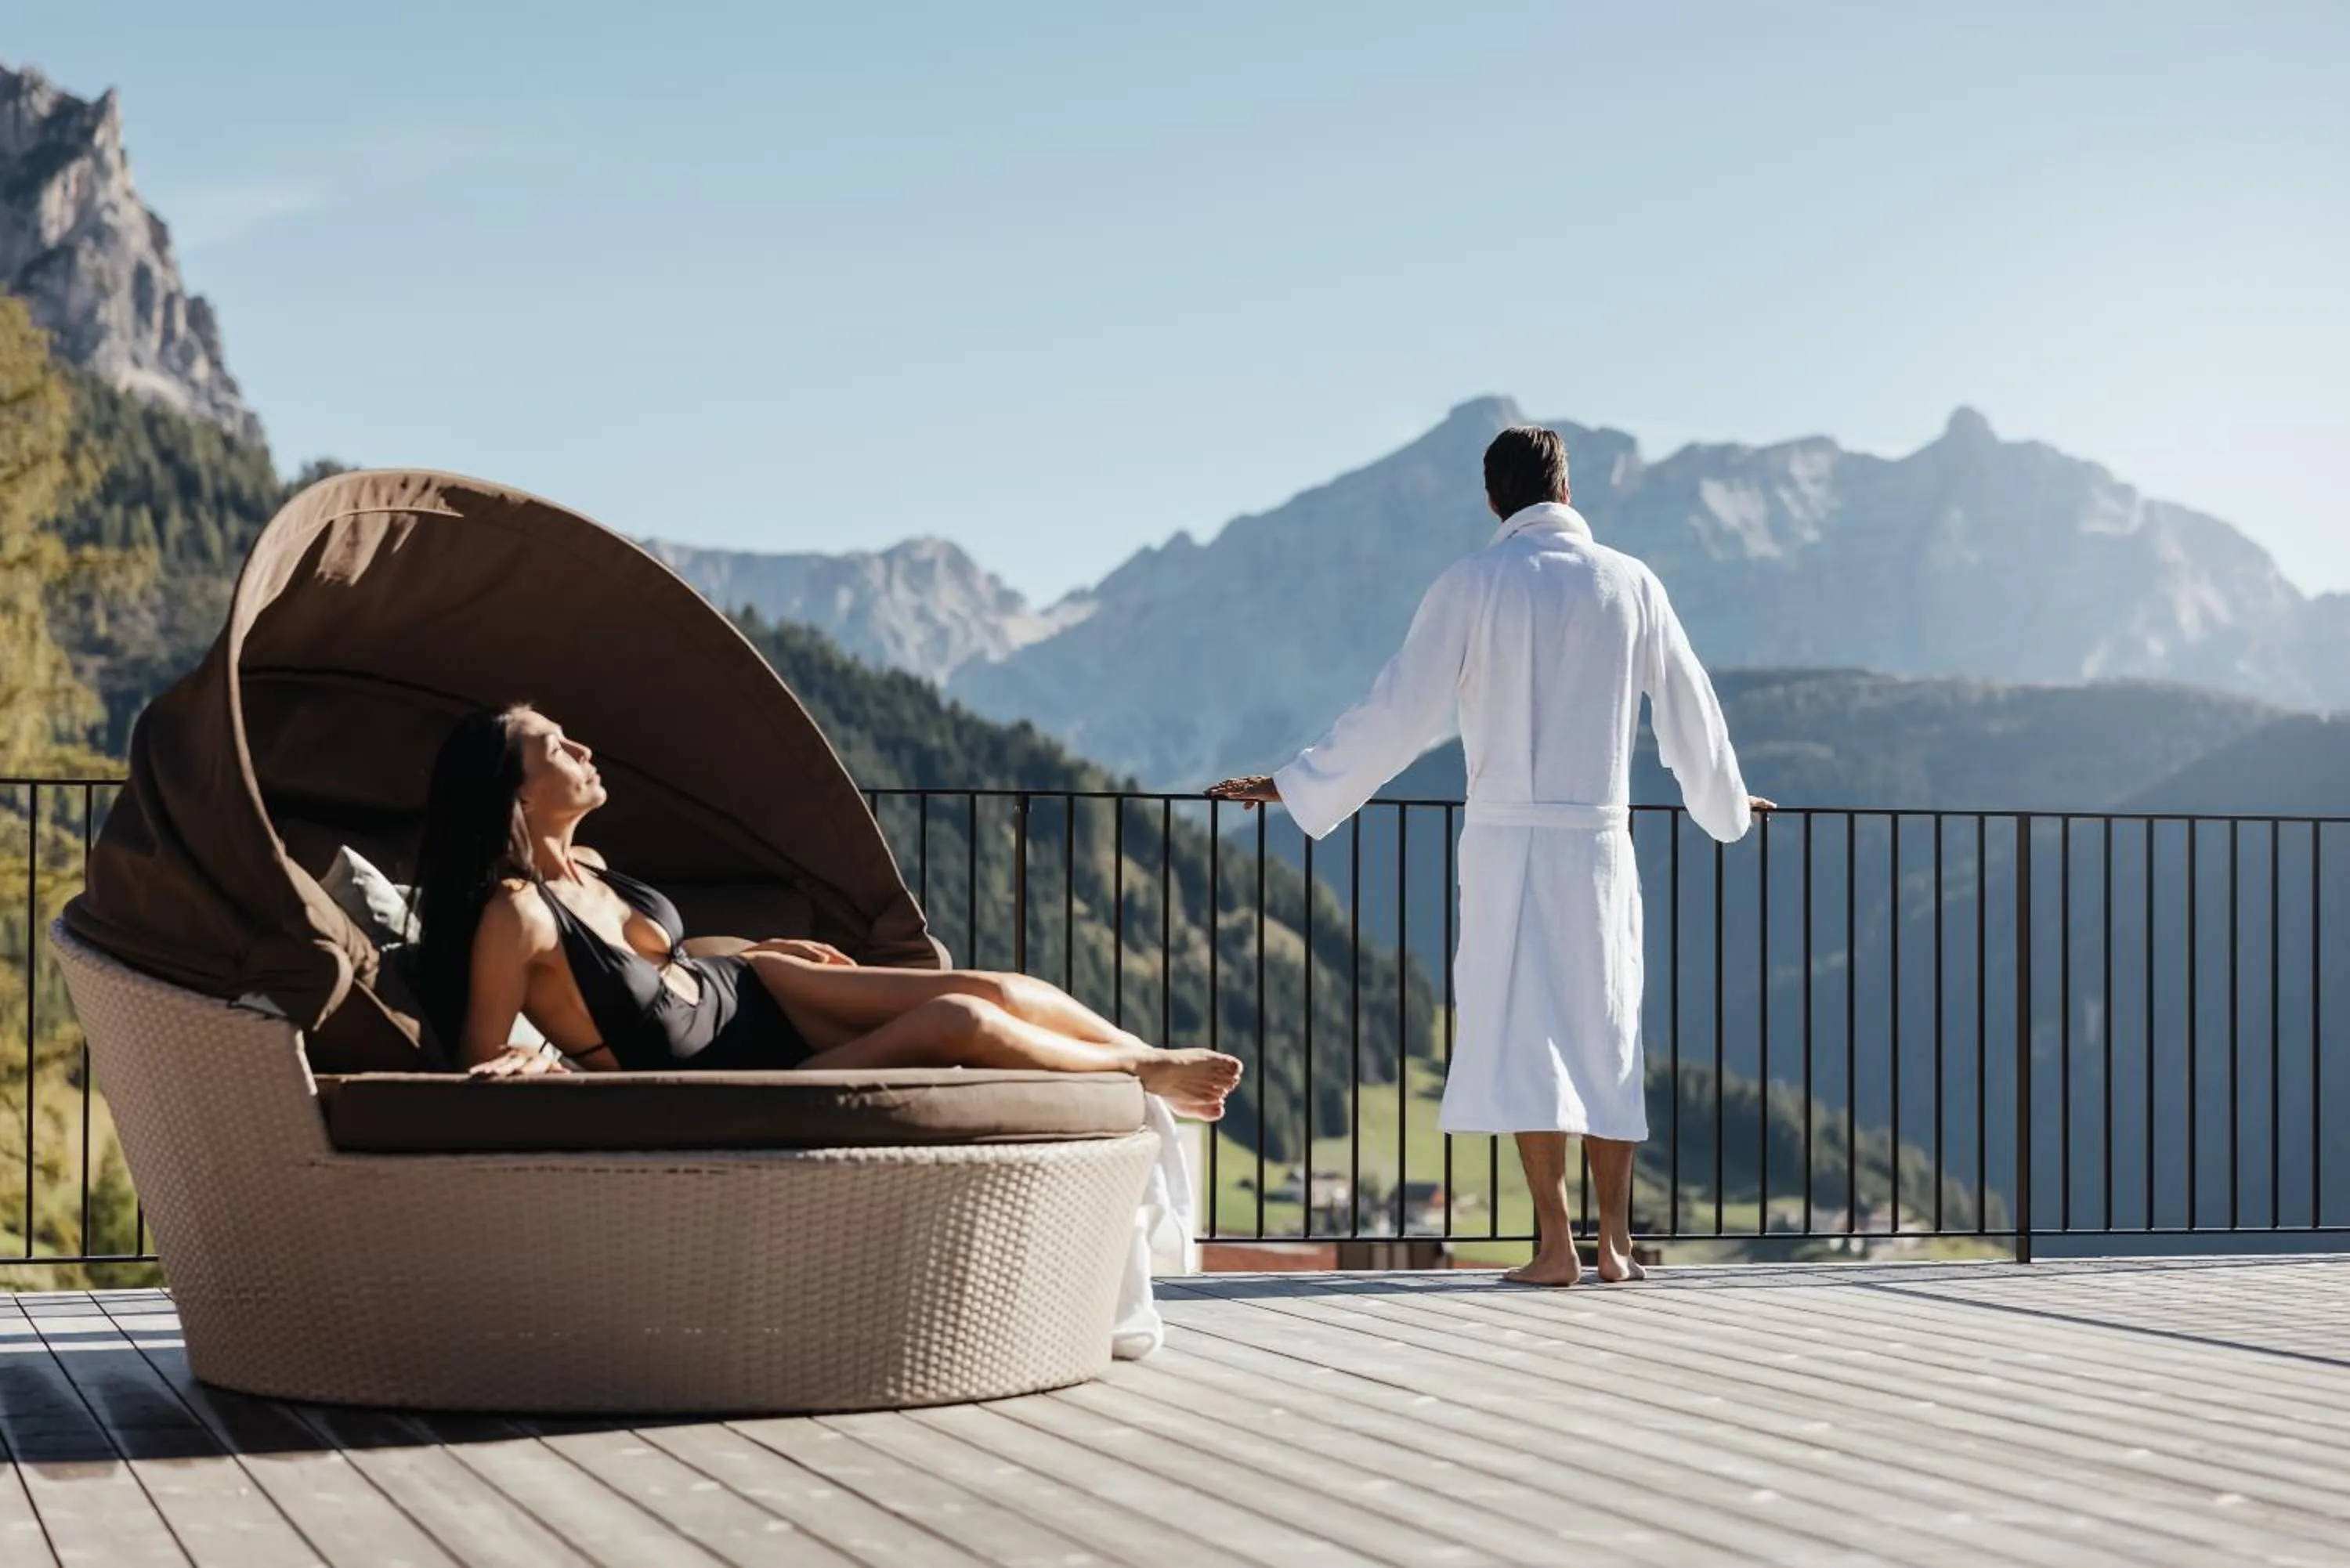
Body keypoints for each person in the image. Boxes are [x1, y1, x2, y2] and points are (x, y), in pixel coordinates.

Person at [1209, 425, 1767, 1284]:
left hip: (1507, 846)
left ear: (1493, 499)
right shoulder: (1632, 583)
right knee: (1608, 1032)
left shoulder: (1471, 584)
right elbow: (1690, 708)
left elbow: (1398, 709)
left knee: (1522, 1036)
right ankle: (1616, 1245)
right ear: (1567, 490)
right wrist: (1727, 801)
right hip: (1597, 843)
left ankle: (1555, 1246)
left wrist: (1294, 784)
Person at [412, 704, 1242, 1119]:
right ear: (517, 793)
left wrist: (751, 949)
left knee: (990, 988)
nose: (584, 749)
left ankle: (1144, 1051)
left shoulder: (591, 864)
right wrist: (529, 1059)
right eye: (556, 748)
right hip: (730, 1076)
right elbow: (476, 1063)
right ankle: (1140, 1077)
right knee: (958, 1020)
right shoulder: (517, 916)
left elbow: (662, 961)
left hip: (750, 987)